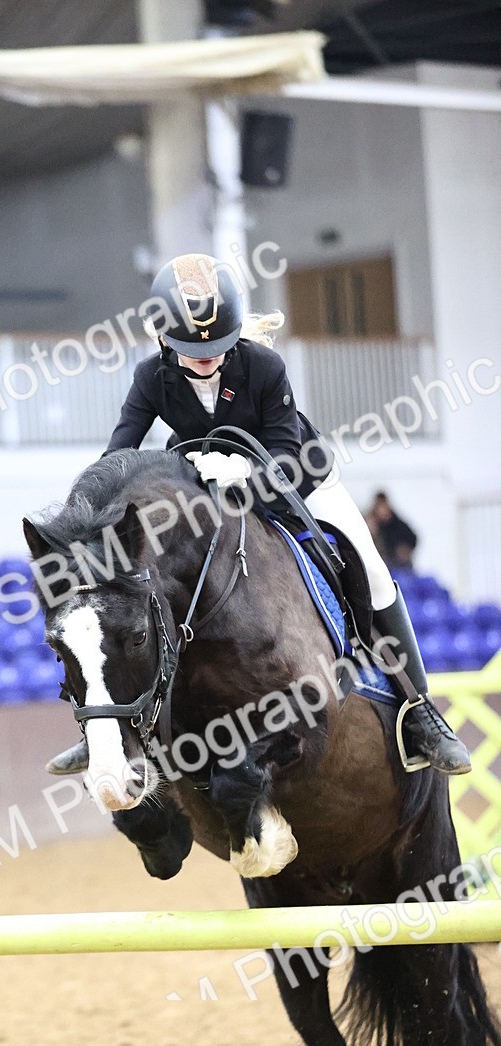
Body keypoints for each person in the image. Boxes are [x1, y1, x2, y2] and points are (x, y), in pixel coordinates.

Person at [46, 252, 469, 776]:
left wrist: (245, 474)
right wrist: (84, 515)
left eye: (217, 349)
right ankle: (105, 731)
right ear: (163, 340)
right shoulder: (151, 377)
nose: (207, 360)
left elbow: (287, 457)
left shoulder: (264, 367)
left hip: (296, 476)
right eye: (191, 352)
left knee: (375, 572)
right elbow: (119, 454)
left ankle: (419, 711)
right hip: (205, 484)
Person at [366, 491, 418, 570]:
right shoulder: (372, 524)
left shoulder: (397, 524)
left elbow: (413, 539)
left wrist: (404, 550)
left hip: (399, 566)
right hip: (379, 565)